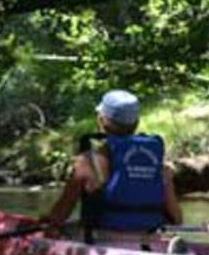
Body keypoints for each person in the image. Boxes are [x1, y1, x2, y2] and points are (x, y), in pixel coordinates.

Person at [43, 90, 182, 242]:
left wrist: (48, 223)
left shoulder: (88, 161)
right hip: (151, 237)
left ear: (101, 120)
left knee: (59, 230)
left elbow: (59, 215)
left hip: (105, 238)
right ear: (136, 123)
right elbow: (176, 218)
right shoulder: (158, 165)